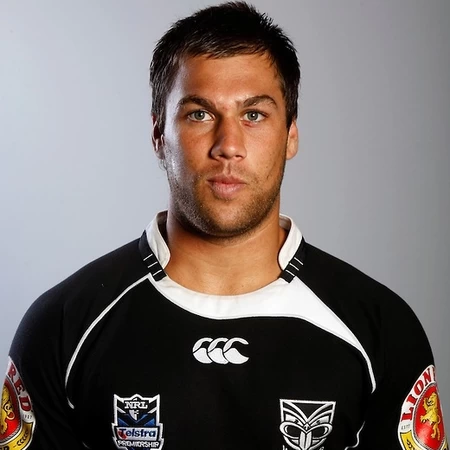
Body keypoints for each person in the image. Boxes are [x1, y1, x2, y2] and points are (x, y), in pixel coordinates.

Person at [1, 2, 447, 450]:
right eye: (200, 114)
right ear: (159, 135)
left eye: (254, 115)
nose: (228, 145)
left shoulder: (380, 330)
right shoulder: (62, 327)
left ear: (291, 134)